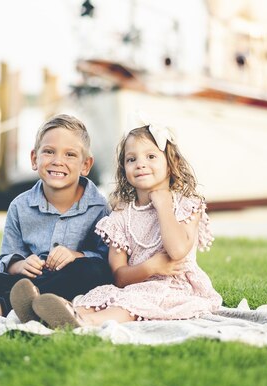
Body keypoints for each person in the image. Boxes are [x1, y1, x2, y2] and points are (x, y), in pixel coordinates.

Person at [18, 116, 223, 328]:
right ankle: (52, 313)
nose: (140, 164)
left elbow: (178, 251)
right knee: (97, 299)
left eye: (151, 156)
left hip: (175, 288)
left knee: (128, 307)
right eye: (131, 159)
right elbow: (119, 277)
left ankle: (83, 321)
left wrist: (163, 204)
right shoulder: (119, 217)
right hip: (133, 286)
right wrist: (151, 267)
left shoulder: (186, 206)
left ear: (171, 165)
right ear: (124, 168)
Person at [0, 114, 114, 320]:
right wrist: (21, 266)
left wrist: (76, 256)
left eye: (70, 155)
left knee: (92, 271)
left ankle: (1, 307)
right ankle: (34, 303)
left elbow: (106, 261)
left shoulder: (99, 207)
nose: (57, 161)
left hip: (75, 281)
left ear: (86, 165)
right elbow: (8, 258)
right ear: (34, 159)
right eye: (48, 152)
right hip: (29, 282)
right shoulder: (20, 206)